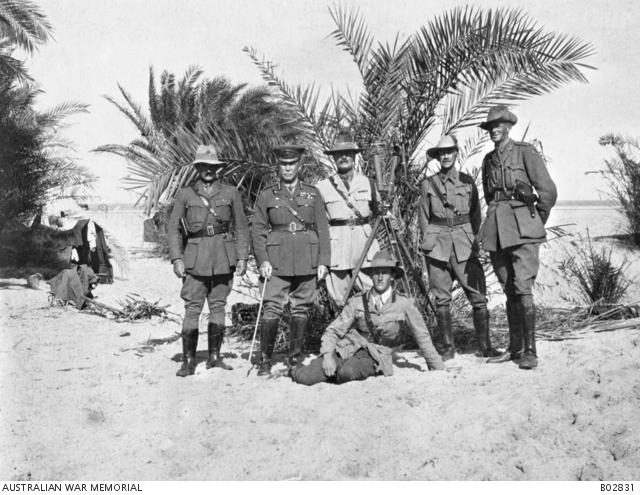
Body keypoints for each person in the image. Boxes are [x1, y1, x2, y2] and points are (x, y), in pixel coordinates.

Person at [476, 105, 557, 370]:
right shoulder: (488, 160)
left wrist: (533, 222)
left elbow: (547, 192)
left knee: (523, 288)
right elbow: (490, 198)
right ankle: (514, 348)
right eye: (490, 127)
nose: (493, 131)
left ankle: (530, 352)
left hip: (523, 230)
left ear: (508, 127)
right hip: (497, 231)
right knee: (508, 287)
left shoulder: (525, 153)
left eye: (498, 125)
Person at [291, 250, 445, 385]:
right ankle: (294, 370)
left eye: (384, 272)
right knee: (306, 377)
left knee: (347, 372)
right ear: (371, 275)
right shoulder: (358, 301)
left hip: (377, 354)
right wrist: (327, 356)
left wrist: (437, 366)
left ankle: (336, 372)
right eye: (376, 272)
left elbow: (422, 336)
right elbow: (333, 331)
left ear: (391, 276)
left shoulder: (404, 304)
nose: (379, 277)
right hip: (348, 347)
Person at [168, 145, 249, 377]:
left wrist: (242, 256)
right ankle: (189, 361)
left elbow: (241, 226)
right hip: (195, 258)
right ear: (197, 168)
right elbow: (173, 229)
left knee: (218, 307)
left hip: (223, 257)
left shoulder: (231, 192)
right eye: (204, 166)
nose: (208, 171)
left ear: (218, 169)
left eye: (212, 167)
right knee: (192, 308)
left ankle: (215, 357)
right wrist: (176, 258)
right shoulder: (185, 194)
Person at [251, 143, 331, 376]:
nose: (287, 168)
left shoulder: (312, 193)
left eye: (292, 164)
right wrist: (263, 260)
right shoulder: (267, 195)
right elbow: (257, 229)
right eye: (283, 164)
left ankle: (295, 358)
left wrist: (323, 261)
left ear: (299, 165)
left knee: (301, 310)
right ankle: (265, 360)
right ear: (278, 166)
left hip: (307, 258)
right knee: (271, 309)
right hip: (277, 260)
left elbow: (323, 228)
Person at [419, 134, 499, 361]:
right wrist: (429, 244)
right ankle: (447, 348)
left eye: (449, 152)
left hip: (464, 245)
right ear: (438, 156)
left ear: (456, 153)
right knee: (442, 299)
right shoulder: (428, 184)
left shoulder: (467, 182)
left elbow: (475, 215)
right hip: (437, 247)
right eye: (441, 153)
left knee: (478, 297)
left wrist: (470, 238)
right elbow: (424, 219)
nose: (445, 156)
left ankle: (485, 346)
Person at [315, 132, 380, 305]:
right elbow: (318, 224)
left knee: (373, 297)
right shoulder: (322, 187)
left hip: (365, 250)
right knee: (339, 300)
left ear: (354, 156)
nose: (343, 157)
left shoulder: (369, 184)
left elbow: (381, 213)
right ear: (334, 158)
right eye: (339, 154)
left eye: (348, 153)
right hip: (337, 250)